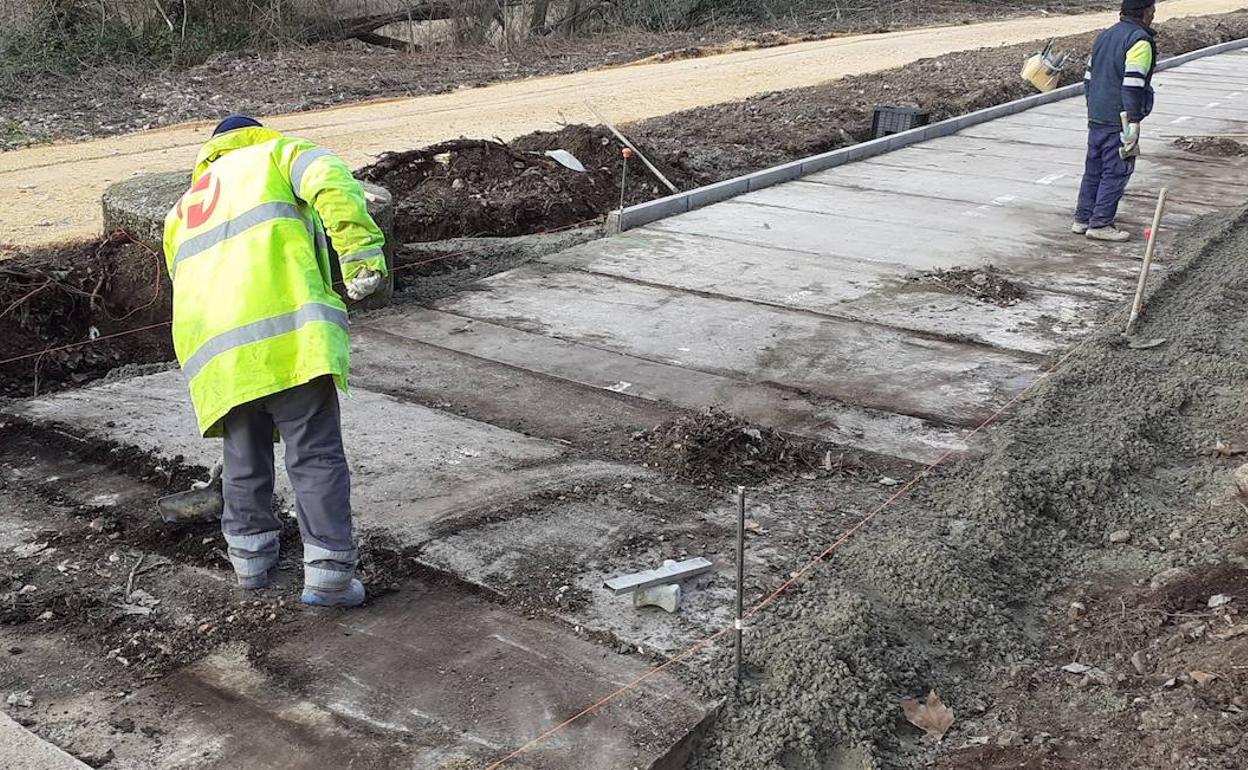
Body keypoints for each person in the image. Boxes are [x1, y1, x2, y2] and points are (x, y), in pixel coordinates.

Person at [162, 115, 387, 608]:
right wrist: (360, 255)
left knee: (242, 458)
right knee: (315, 454)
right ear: (256, 133)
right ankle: (328, 576)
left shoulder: (183, 207)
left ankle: (250, 566)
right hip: (289, 339)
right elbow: (333, 181)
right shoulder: (277, 155)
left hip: (219, 357)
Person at [1073, 0, 1157, 242]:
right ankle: (1100, 223)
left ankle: (1083, 219)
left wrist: (1093, 107)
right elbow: (1133, 84)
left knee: (1094, 168)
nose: (1153, 15)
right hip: (1119, 117)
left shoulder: (1104, 36)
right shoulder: (1139, 41)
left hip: (1098, 114)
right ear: (1145, 12)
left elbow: (1088, 78)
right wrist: (1134, 121)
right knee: (1117, 169)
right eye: (1152, 10)